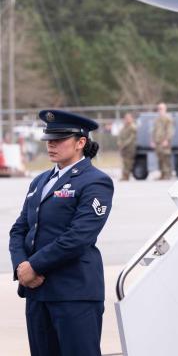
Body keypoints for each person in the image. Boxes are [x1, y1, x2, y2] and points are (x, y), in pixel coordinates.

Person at [8, 109, 114, 356]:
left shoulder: (95, 181)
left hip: (74, 293)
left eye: (59, 139)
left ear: (80, 142)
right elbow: (19, 229)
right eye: (49, 140)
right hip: (37, 292)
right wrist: (21, 266)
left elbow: (79, 237)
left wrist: (34, 266)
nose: (51, 145)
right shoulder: (40, 181)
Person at [151, 102, 174, 180]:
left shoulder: (168, 119)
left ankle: (167, 174)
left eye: (161, 108)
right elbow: (154, 131)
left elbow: (170, 131)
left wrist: (167, 140)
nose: (159, 110)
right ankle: (162, 174)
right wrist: (152, 141)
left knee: (166, 158)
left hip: (164, 142)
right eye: (158, 109)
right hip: (158, 143)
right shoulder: (157, 120)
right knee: (160, 159)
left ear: (165, 109)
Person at [117, 112, 137, 181]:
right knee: (124, 162)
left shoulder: (133, 127)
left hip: (129, 148)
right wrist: (119, 143)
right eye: (126, 118)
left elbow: (131, 138)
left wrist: (123, 145)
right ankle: (124, 176)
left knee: (128, 162)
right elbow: (120, 136)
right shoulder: (124, 127)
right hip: (123, 148)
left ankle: (126, 176)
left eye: (128, 118)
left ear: (131, 119)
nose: (127, 119)